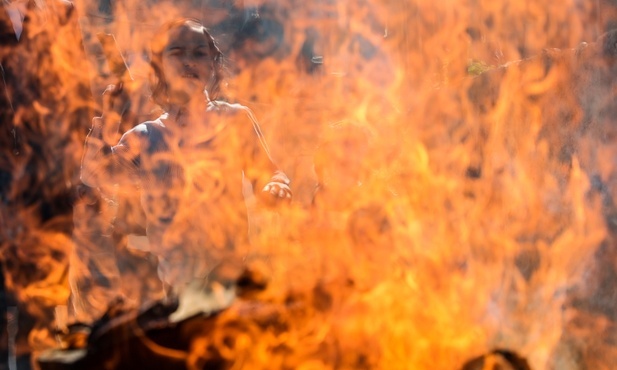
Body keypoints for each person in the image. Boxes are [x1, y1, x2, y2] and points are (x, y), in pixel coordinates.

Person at [75, 18, 291, 309]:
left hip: (228, 274)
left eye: (199, 53)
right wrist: (107, 118)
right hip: (173, 282)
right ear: (160, 65)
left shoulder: (235, 120)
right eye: (177, 52)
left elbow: (269, 172)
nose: (189, 62)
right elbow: (93, 175)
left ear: (213, 64)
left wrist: (275, 186)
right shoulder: (147, 135)